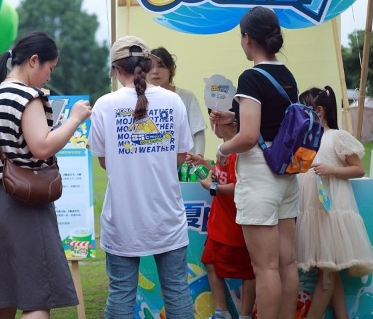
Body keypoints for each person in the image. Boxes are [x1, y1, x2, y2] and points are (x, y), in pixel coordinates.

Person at [0, 31, 92, 319]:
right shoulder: (28, 96)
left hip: (0, 202)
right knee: (37, 298)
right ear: (34, 61)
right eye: (50, 68)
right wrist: (74, 119)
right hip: (27, 204)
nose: (49, 76)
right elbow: (41, 146)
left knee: (4, 296)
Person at [88, 36, 195, 318]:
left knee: (121, 293)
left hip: (123, 219)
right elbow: (181, 155)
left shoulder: (104, 105)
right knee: (177, 291)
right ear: (147, 65)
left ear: (115, 68)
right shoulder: (174, 101)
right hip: (167, 217)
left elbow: (103, 161)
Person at [210, 6, 299, 319]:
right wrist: (234, 116)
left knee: (265, 267)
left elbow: (247, 138)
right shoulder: (286, 74)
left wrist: (223, 150)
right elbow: (273, 123)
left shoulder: (250, 77)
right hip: (287, 174)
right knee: (287, 263)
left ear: (247, 38)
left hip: (261, 176)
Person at [296, 86, 373, 318]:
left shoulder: (336, 137)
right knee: (328, 271)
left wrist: (331, 169)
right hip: (313, 212)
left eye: (304, 110)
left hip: (332, 213)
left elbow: (358, 169)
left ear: (318, 111)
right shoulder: (306, 139)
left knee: (328, 274)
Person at [186, 110, 255, 319]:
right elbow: (222, 175)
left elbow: (240, 185)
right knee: (211, 262)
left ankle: (244, 314)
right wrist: (204, 164)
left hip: (236, 223)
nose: (211, 126)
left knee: (247, 271)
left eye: (213, 121)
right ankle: (221, 311)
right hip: (219, 223)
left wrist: (212, 187)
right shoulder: (224, 150)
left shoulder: (238, 151)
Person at [147, 47, 207, 156]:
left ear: (171, 70)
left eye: (161, 66)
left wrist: (199, 158)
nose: (155, 71)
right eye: (150, 67)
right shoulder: (141, 100)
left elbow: (198, 131)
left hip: (185, 167)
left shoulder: (186, 97)